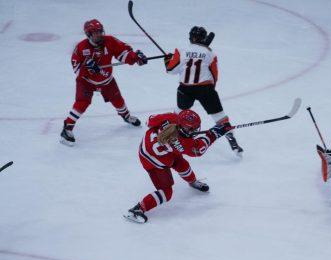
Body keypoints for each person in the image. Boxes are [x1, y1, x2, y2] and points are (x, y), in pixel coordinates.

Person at [125, 109, 232, 223]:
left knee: (183, 165)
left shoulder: (171, 117)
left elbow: (149, 121)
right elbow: (200, 148)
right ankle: (137, 209)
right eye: (194, 128)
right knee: (166, 192)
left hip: (154, 149)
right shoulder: (185, 144)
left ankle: (193, 182)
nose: (196, 130)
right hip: (153, 162)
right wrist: (215, 133)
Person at [60, 19, 148, 146]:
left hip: (106, 80)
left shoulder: (110, 41)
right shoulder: (81, 47)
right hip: (86, 82)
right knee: (82, 103)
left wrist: (136, 58)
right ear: (89, 34)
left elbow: (123, 54)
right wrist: (87, 69)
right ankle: (67, 127)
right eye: (96, 33)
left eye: (100, 31)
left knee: (118, 99)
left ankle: (126, 116)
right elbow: (76, 68)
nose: (99, 34)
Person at [163, 26, 243, 155]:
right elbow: (214, 75)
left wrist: (167, 60)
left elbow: (171, 70)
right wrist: (210, 91)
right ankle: (232, 141)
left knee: (177, 114)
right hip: (205, 89)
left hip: (185, 89)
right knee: (220, 117)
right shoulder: (210, 53)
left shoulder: (181, 50)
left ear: (191, 38)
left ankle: (168, 136)